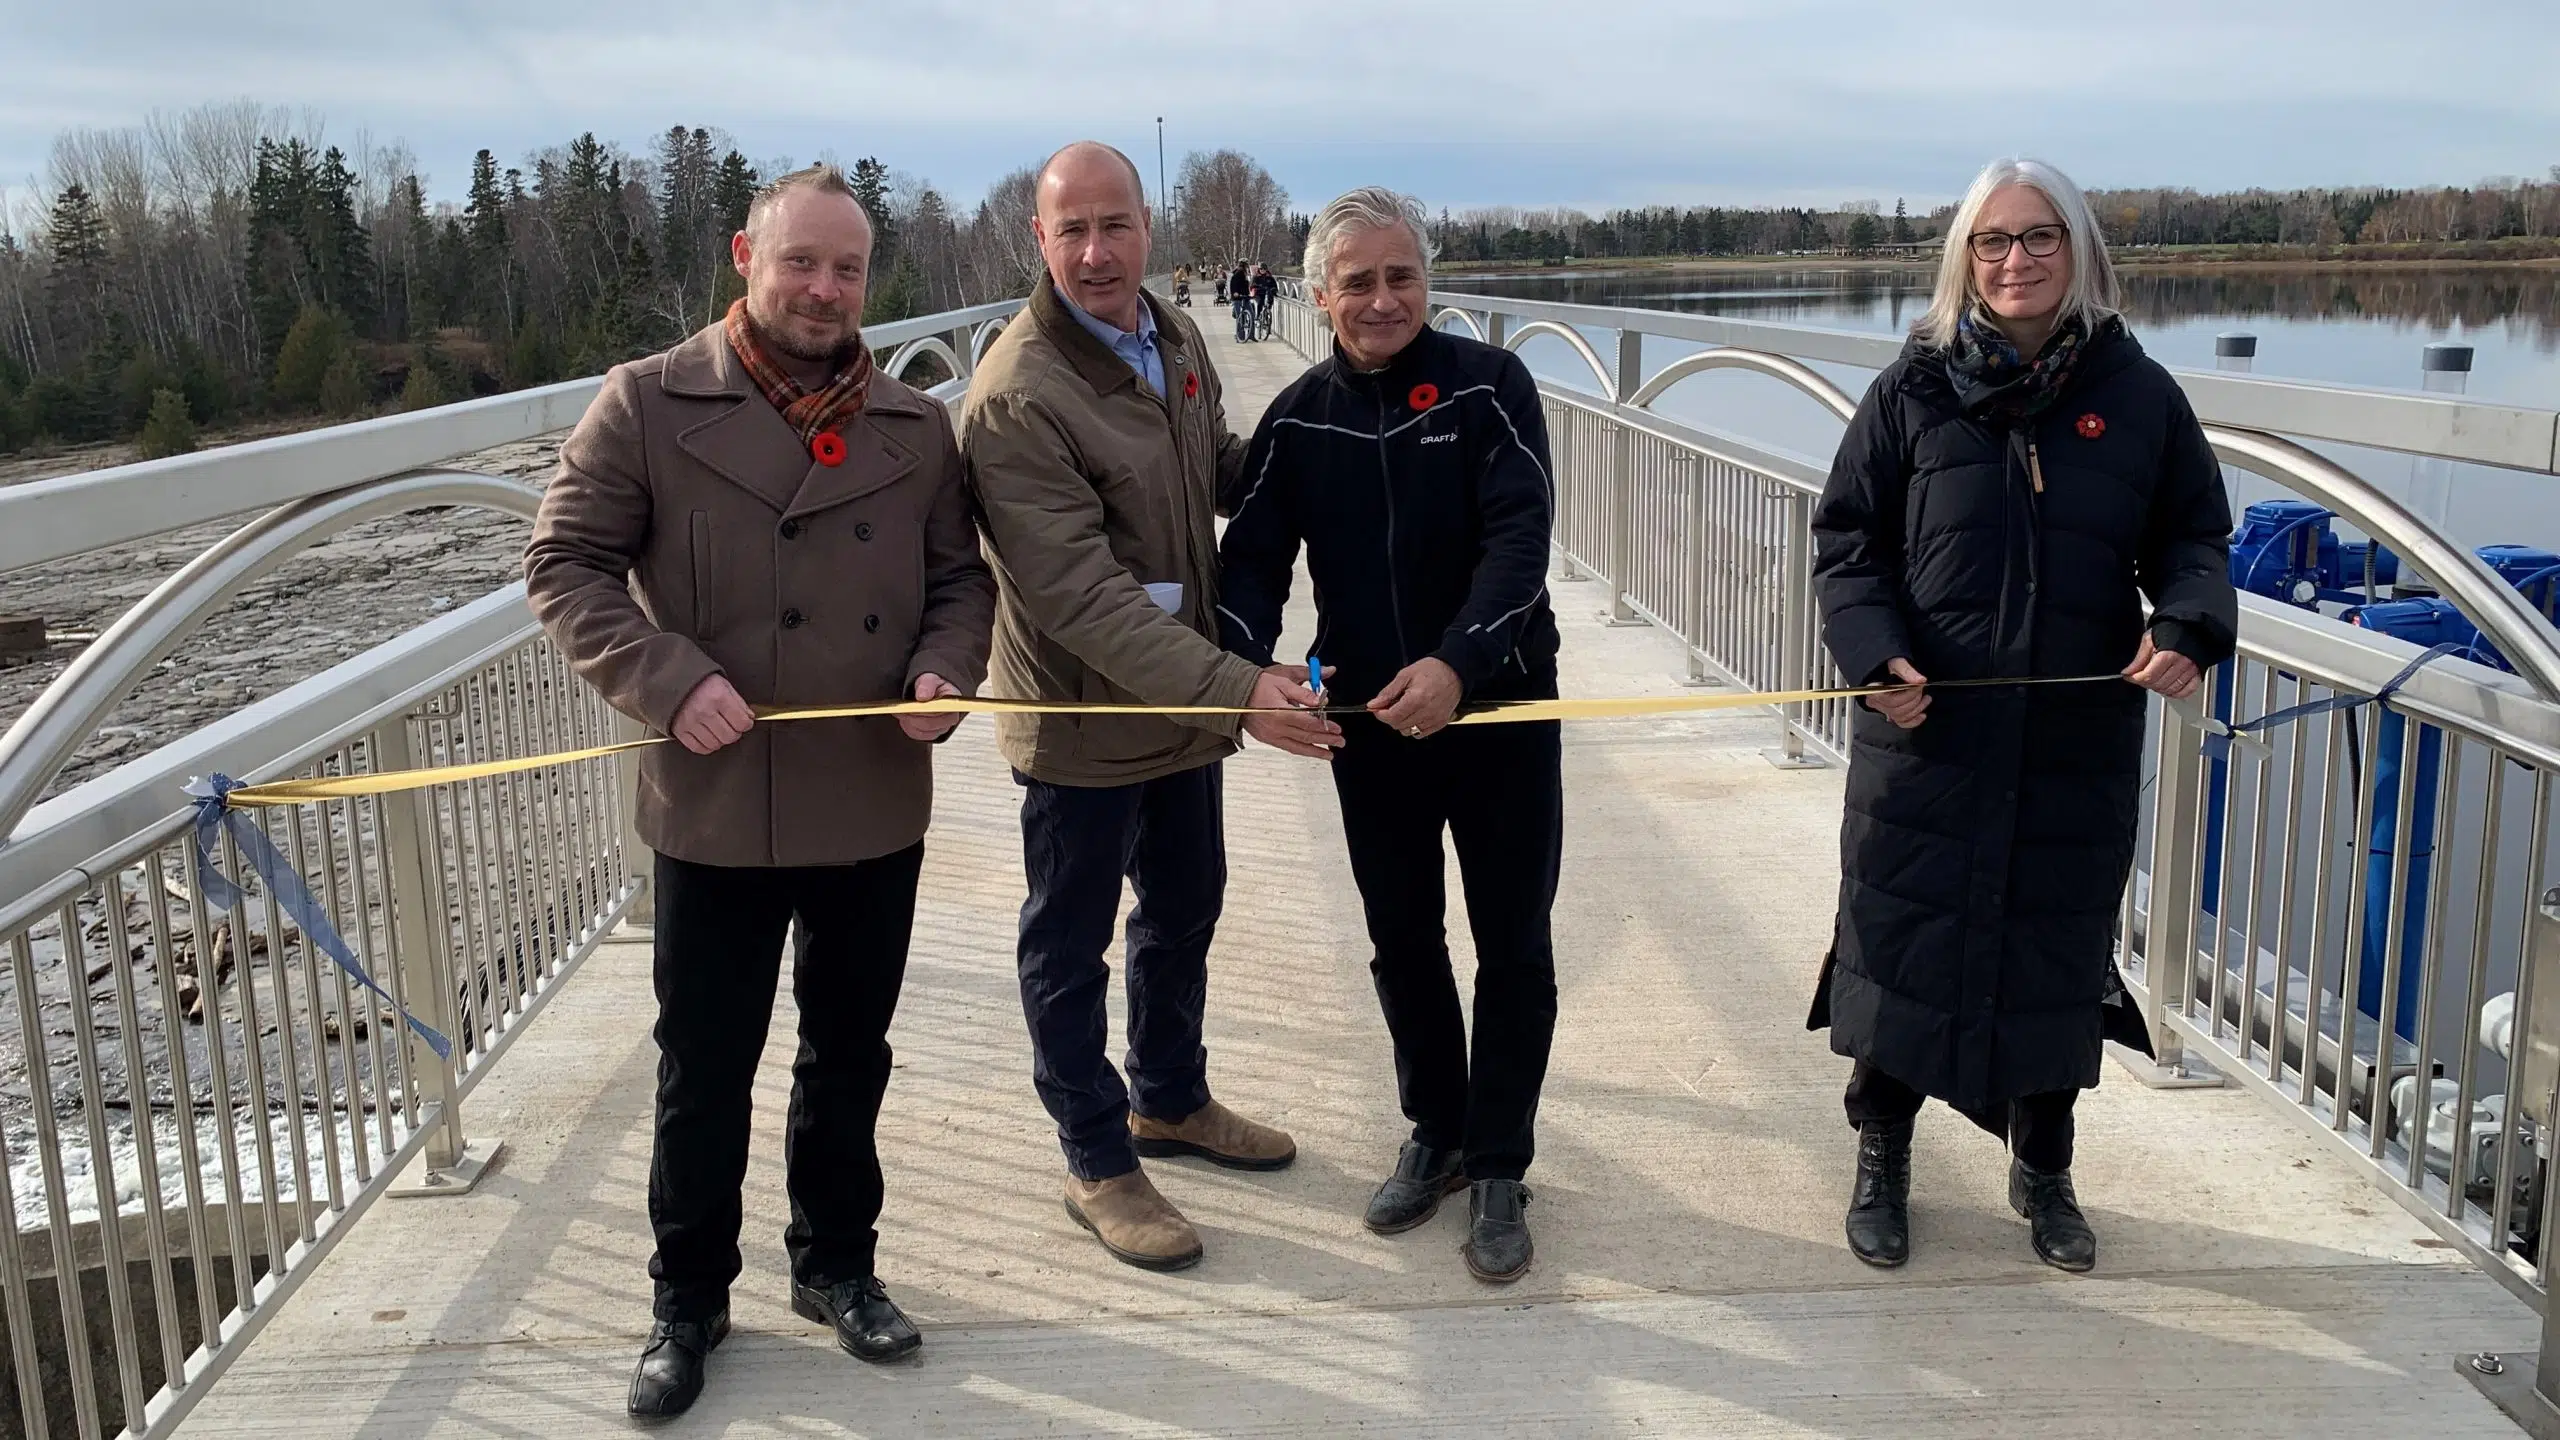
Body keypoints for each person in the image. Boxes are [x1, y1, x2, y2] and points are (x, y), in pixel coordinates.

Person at [525, 163, 995, 1419]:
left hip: (866, 796)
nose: (825, 289)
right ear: (745, 255)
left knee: (850, 1056)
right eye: (801, 261)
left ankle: (838, 1268)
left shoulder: (913, 424)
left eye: (848, 269)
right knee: (704, 1066)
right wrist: (664, 677)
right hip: (715, 801)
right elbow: (562, 563)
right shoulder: (644, 402)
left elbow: (963, 579)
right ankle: (688, 1301)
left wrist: (948, 663)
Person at [1806, 157, 2235, 1276]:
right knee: (1902, 939)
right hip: (1925, 732)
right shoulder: (1910, 390)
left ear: (2079, 251)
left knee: (2055, 953)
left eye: (2040, 237)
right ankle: (1882, 1154)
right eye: (1992, 242)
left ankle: (2043, 1167)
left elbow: (2194, 538)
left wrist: (2189, 623)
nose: (2016, 260)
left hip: (2070, 747)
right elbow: (1847, 544)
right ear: (1963, 259)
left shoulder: (2137, 396)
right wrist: (1870, 651)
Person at [961, 141, 1341, 1272]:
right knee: (1068, 947)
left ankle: (1167, 1098)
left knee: (1185, 904)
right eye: (1070, 229)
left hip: (1178, 709)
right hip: (1084, 717)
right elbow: (1081, 598)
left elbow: (1210, 466)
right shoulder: (1017, 394)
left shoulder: (1167, 335)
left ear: (1147, 230)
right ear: (1039, 239)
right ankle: (1094, 1156)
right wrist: (1243, 694)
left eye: (1114, 224)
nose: (1094, 251)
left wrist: (1341, 443)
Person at [1217, 186, 1563, 1284]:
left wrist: (1460, 661)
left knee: (1512, 941)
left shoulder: (1490, 386)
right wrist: (1246, 672)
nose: (1381, 299)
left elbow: (1520, 538)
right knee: (1402, 935)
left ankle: (1502, 1159)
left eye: (1400, 276)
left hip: (1498, 699)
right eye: (1356, 281)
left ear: (1427, 282)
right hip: (1370, 714)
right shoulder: (1301, 415)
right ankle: (1439, 1132)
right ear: (1317, 296)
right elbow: (1253, 562)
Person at [1251, 263, 1278, 338]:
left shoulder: (1269, 277)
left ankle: (1267, 316)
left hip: (1267, 293)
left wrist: (1274, 289)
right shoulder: (1256, 277)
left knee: (1269, 302)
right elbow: (1252, 285)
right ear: (1259, 270)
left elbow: (1274, 285)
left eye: (1264, 269)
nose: (1262, 270)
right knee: (1260, 302)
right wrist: (1256, 287)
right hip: (1259, 293)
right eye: (1261, 269)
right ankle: (1258, 316)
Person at [1230, 260, 1256, 342]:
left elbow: (1248, 285)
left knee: (1251, 315)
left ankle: (1251, 335)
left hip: (1245, 296)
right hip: (1238, 298)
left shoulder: (1245, 274)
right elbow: (1232, 284)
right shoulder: (1238, 273)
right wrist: (1234, 293)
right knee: (1240, 317)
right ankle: (1240, 336)